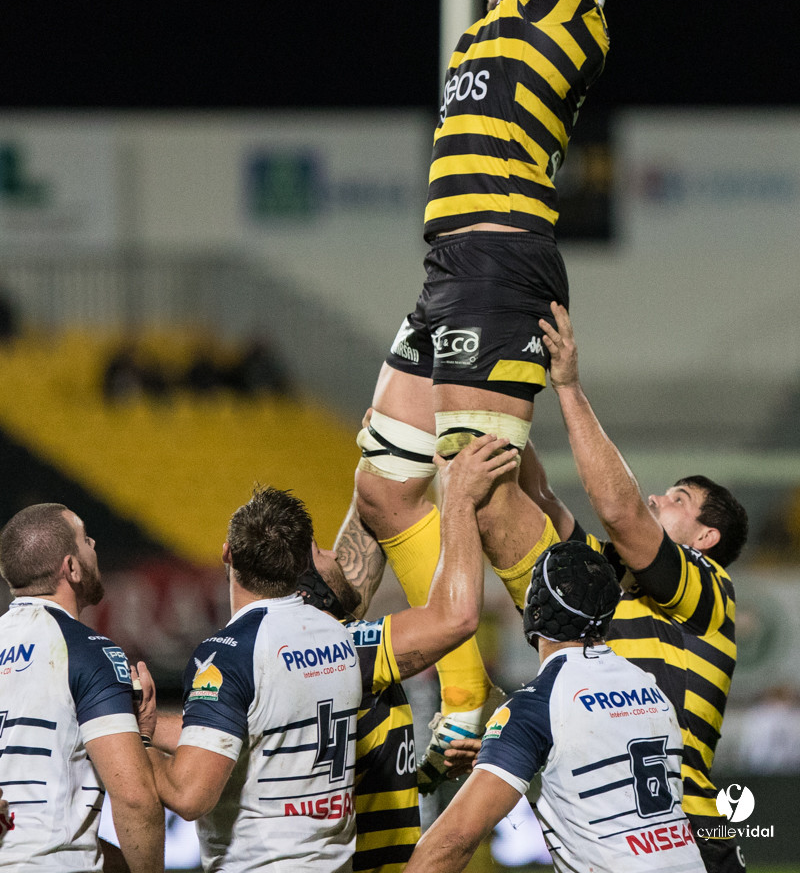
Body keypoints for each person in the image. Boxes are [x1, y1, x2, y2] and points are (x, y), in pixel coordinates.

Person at [350, 0, 610, 783]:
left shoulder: (563, 1)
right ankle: (460, 700)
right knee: (381, 485)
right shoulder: (505, 9)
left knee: (490, 498)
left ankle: (587, 687)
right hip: (449, 268)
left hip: (497, 260)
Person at [505, 302, 749, 873]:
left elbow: (619, 510)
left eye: (678, 501)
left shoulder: (710, 590)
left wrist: (567, 385)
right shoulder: (606, 575)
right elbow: (538, 497)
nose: (657, 499)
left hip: (687, 838)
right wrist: (500, 392)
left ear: (706, 537)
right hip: (610, 841)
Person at [405, 541, 705, 873]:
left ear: (535, 610)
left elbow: (452, 842)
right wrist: (505, 751)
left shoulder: (538, 703)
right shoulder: (647, 685)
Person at [305, 435, 521, 873]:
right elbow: (453, 617)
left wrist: (378, 467)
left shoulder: (306, 648)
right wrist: (455, 496)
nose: (332, 552)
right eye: (318, 552)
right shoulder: (342, 648)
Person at [134, 485, 364, 872]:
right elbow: (250, 732)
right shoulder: (337, 634)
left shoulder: (229, 654)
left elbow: (190, 795)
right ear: (302, 562)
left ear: (227, 553)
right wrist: (149, 722)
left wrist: (130, 740)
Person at [0, 503, 165, 872]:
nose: (94, 543)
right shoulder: (92, 652)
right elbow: (134, 799)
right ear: (71, 568)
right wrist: (143, 740)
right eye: (85, 537)